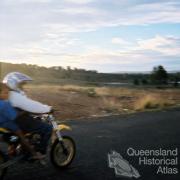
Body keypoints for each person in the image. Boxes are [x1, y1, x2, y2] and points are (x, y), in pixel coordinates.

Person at [2, 72, 53, 157]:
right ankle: (39, 151)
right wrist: (48, 108)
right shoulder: (14, 95)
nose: (22, 87)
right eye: (20, 85)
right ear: (13, 83)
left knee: (34, 121)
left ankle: (17, 148)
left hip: (8, 119)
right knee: (47, 128)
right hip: (18, 120)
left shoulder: (5, 93)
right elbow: (31, 105)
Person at [0, 83, 44, 160]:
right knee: (22, 136)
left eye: (8, 93)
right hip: (7, 123)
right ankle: (34, 153)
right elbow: (15, 116)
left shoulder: (3, 102)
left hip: (2, 124)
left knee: (13, 135)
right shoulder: (4, 104)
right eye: (5, 93)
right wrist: (25, 111)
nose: (7, 95)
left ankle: (12, 149)